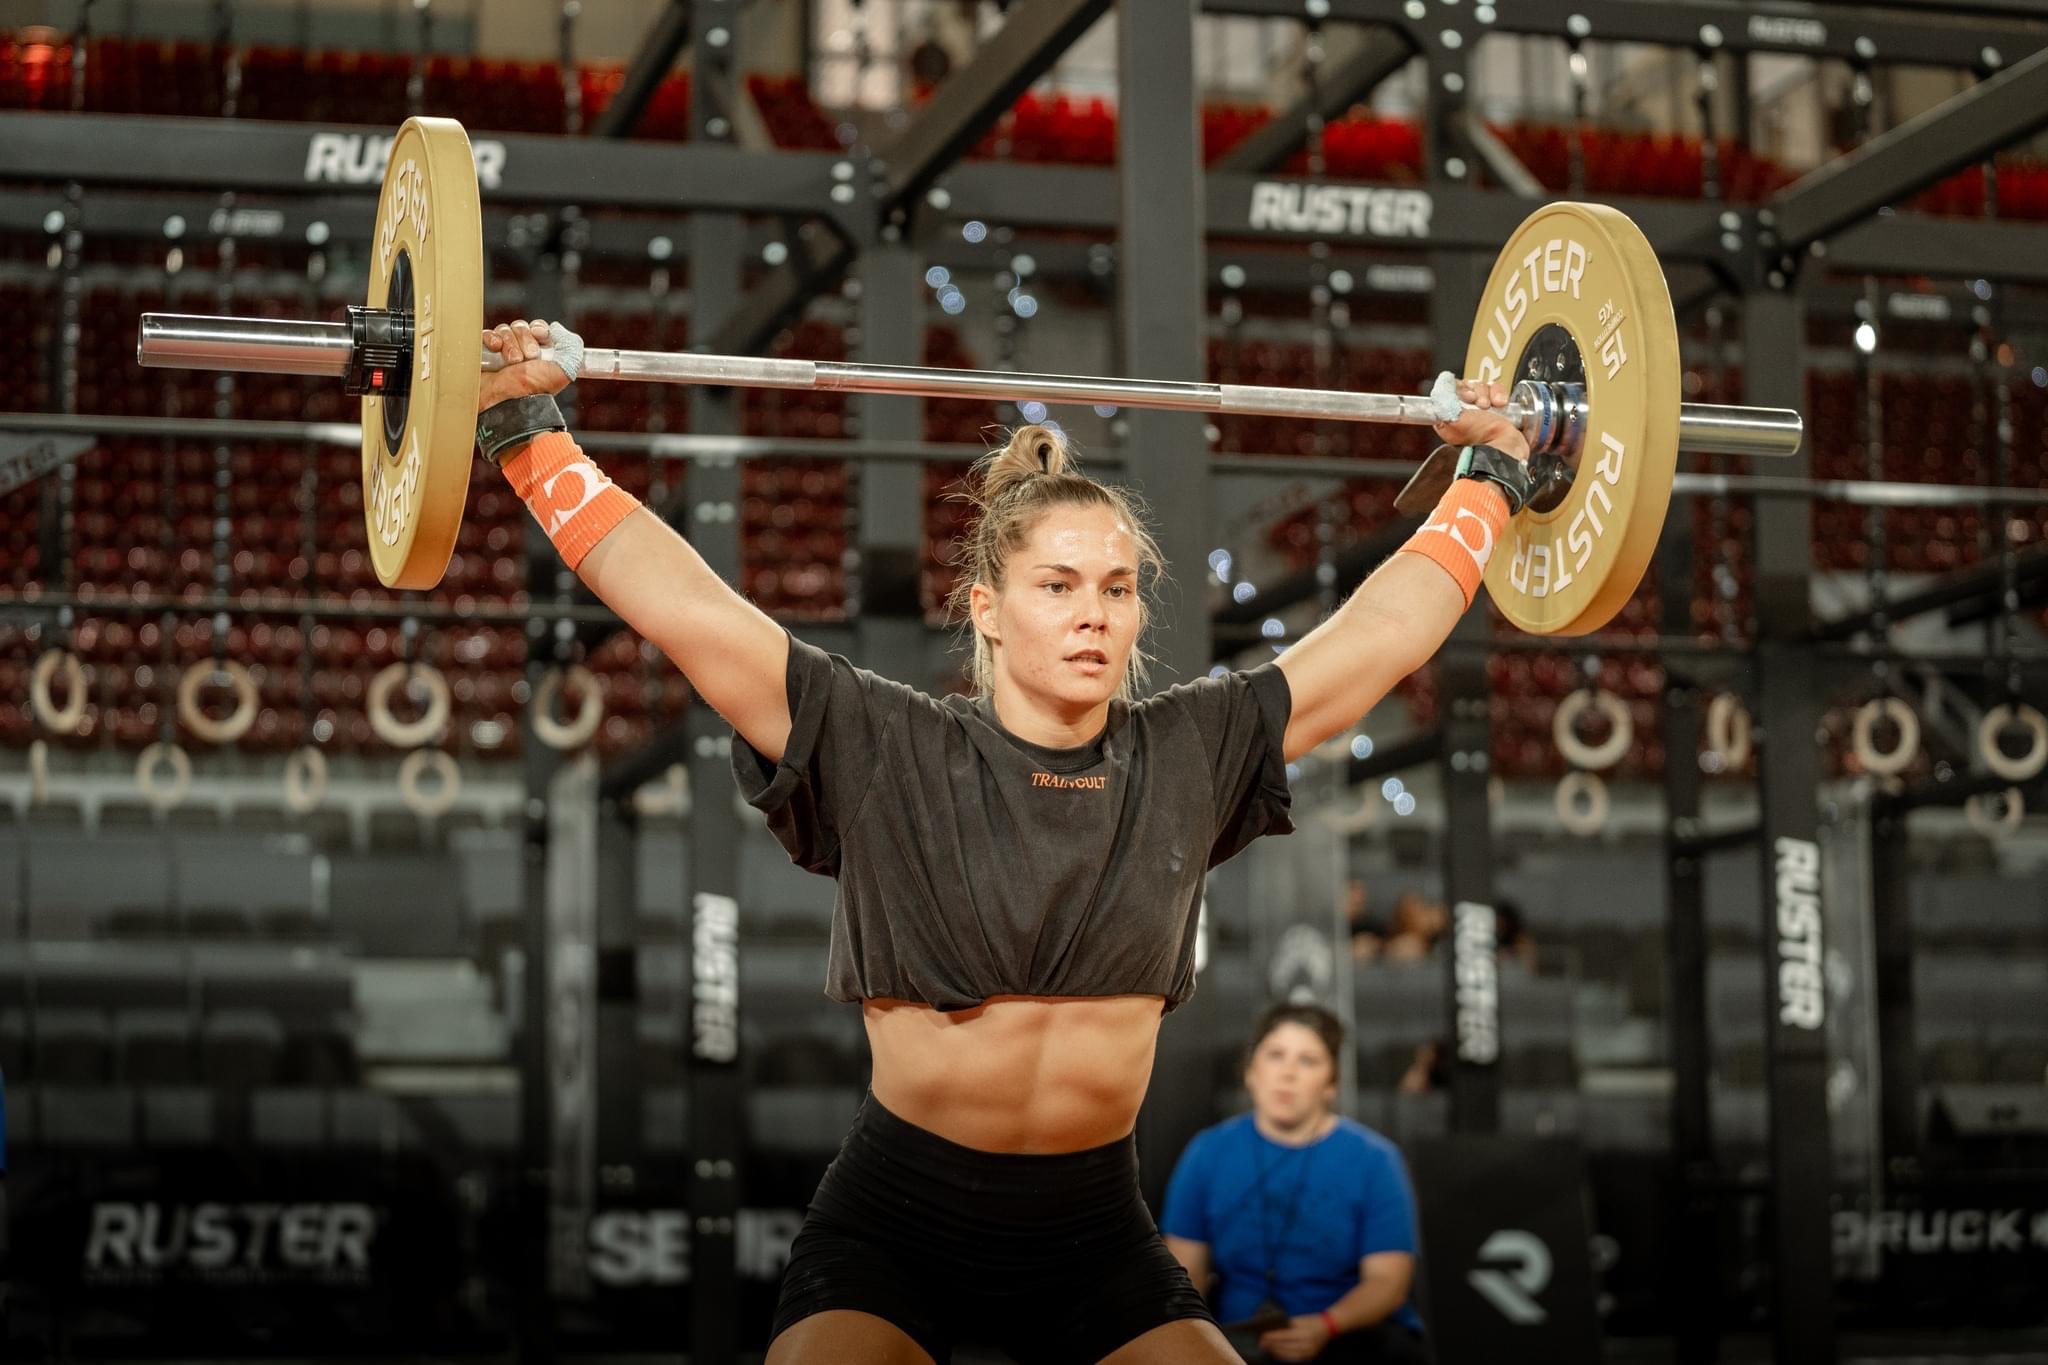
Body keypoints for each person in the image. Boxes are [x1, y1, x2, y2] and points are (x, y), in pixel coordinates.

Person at [473, 318, 1530, 1364]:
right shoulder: (883, 742)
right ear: (986, 607)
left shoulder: (1190, 749)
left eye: (1116, 589)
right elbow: (687, 611)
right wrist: (527, 434)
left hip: (1095, 1234)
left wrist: (1489, 477)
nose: (1093, 615)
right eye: (1057, 586)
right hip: (896, 1223)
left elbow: (1380, 638)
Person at [1163, 1005, 1428, 1364]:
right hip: (1238, 1339)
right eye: (1275, 1055)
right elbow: (1185, 1274)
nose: (1287, 1073)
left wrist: (1326, 1325)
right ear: (1251, 1071)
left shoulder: (1375, 1160)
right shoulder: (1207, 1152)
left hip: (1347, 1336)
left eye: (1307, 1060)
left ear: (1331, 1084)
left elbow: (1387, 1282)